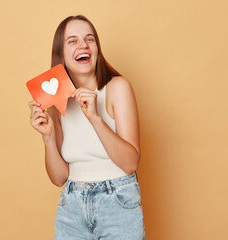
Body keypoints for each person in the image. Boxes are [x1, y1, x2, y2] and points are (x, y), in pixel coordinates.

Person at [28, 15, 145, 240]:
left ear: (97, 48)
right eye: (72, 41)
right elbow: (59, 178)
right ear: (60, 53)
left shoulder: (117, 88)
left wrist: (95, 118)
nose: (83, 45)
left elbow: (130, 163)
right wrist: (48, 137)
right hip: (72, 206)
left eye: (89, 39)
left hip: (118, 203)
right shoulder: (56, 102)